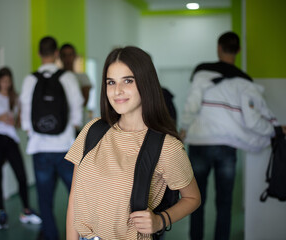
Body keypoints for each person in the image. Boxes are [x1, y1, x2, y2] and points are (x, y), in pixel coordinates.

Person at [65, 46, 201, 240]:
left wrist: (160, 221)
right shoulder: (93, 130)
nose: (117, 91)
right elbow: (75, 198)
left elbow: (193, 198)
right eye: (111, 82)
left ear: (145, 83)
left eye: (127, 80)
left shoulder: (166, 146)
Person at [180, 31, 286, 240]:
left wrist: (183, 127)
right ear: (238, 50)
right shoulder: (245, 81)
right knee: (225, 203)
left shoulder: (202, 72)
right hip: (226, 146)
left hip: (200, 143)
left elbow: (192, 104)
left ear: (218, 47)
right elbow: (253, 119)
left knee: (193, 199)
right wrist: (274, 129)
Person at [20, 36, 84, 240]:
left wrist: (33, 133)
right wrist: (70, 130)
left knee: (44, 199)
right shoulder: (67, 78)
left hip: (39, 148)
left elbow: (25, 114)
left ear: (39, 54)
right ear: (56, 53)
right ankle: (83, 234)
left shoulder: (30, 80)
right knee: (77, 196)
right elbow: (77, 108)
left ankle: (51, 236)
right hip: (66, 147)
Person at [0, 67, 41, 230]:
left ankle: (26, 210)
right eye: (3, 81)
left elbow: (20, 122)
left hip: (11, 138)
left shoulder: (15, 97)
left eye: (8, 81)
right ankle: (2, 212)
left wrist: (14, 122)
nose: (6, 84)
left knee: (21, 175)